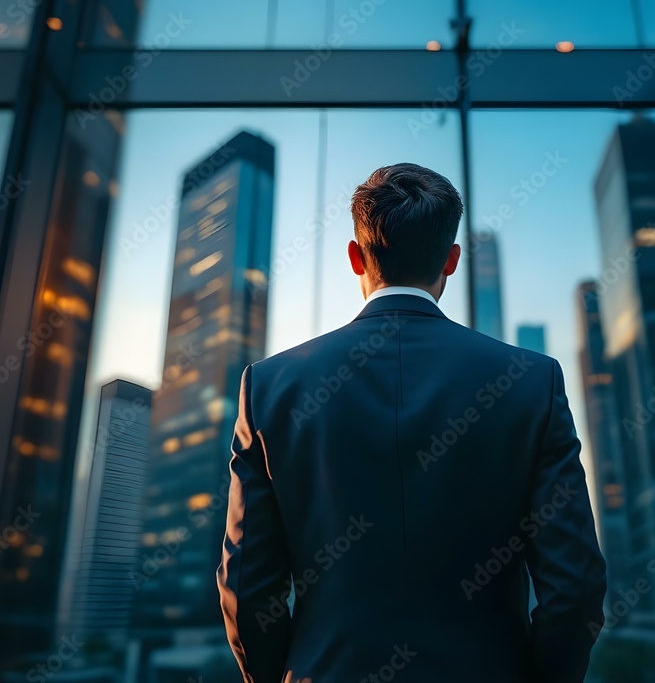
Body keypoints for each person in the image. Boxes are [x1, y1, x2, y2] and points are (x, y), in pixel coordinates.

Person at [217, 163, 606, 682]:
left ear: (356, 258)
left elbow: (246, 589)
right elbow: (575, 590)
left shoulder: (269, 385)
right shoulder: (531, 382)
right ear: (451, 259)